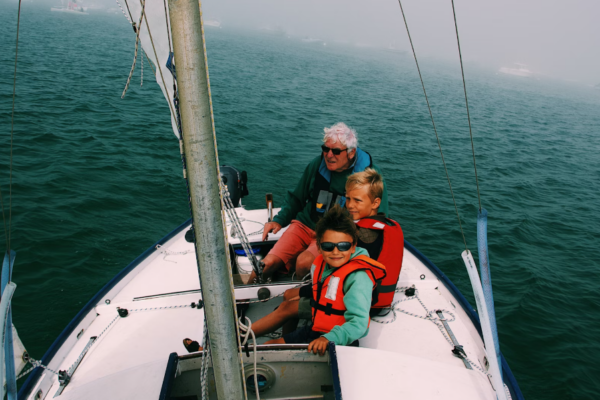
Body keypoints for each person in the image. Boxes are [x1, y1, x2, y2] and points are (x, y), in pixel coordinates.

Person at [248, 169, 402, 338]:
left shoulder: (362, 235)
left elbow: (335, 279)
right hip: (369, 297)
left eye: (357, 200)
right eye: (348, 198)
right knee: (289, 295)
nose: (350, 205)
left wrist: (305, 291)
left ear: (375, 203)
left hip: (352, 301)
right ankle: (287, 337)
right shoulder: (384, 225)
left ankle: (250, 338)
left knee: (287, 304)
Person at [254, 122, 389, 282]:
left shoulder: (369, 177)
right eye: (326, 149)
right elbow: (297, 197)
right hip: (305, 224)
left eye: (336, 151)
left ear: (351, 153)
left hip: (333, 234)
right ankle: (241, 304)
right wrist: (278, 220)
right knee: (264, 265)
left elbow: (379, 217)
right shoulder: (317, 165)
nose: (329, 155)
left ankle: (300, 297)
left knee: (304, 262)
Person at [263, 205, 386, 355]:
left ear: (353, 247)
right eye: (328, 246)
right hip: (315, 329)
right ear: (319, 247)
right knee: (268, 346)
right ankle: (242, 337)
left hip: (338, 340)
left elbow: (359, 323)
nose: (335, 252)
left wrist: (328, 339)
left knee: (277, 349)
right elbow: (322, 289)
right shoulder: (321, 265)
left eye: (343, 246)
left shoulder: (358, 277)